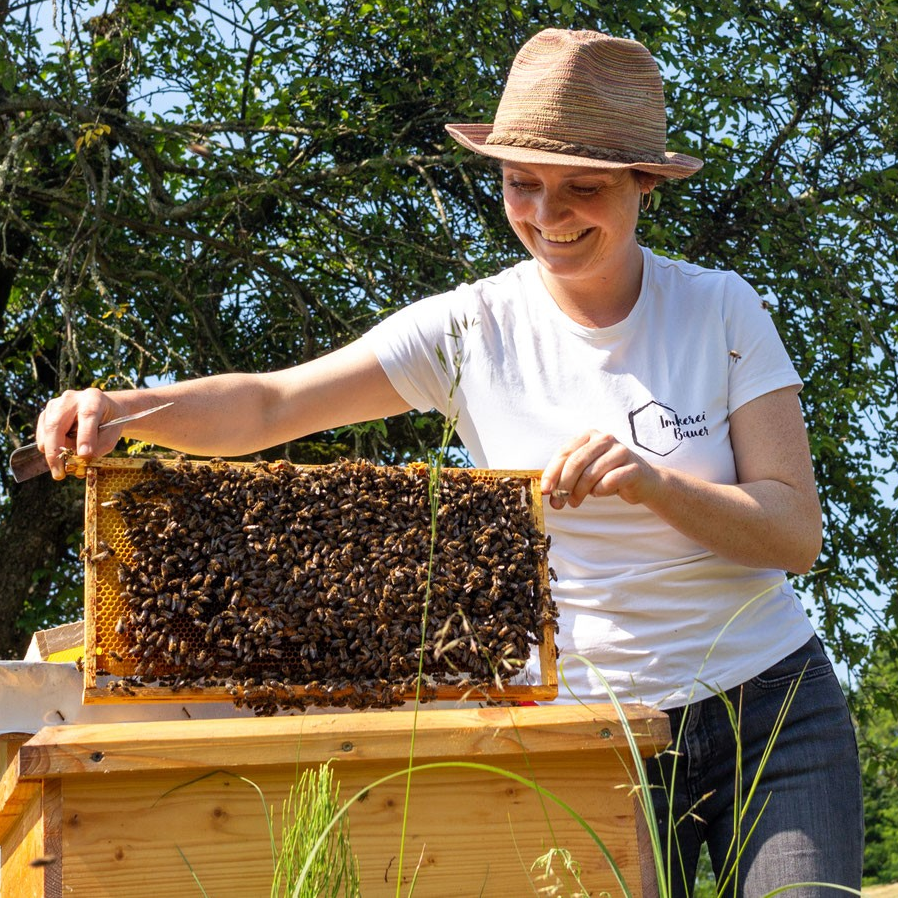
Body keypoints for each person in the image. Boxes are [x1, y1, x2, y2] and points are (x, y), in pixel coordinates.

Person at [35, 28, 861, 896]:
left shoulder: (720, 308)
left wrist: (651, 483)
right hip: (589, 727)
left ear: (643, 182)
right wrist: (130, 410)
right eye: (521, 184)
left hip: (771, 710)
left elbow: (793, 532)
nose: (548, 215)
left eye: (582, 187)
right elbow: (273, 404)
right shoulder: (469, 329)